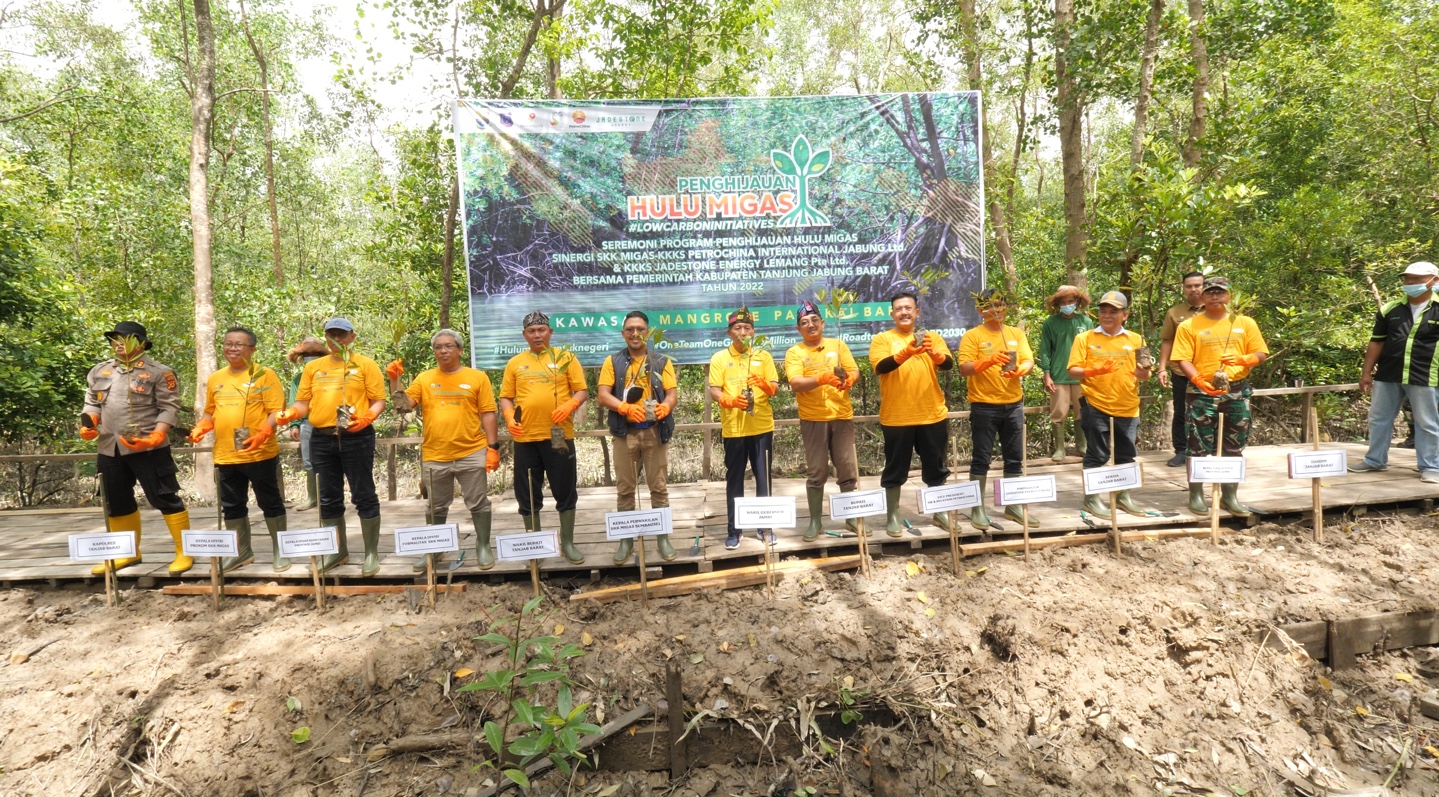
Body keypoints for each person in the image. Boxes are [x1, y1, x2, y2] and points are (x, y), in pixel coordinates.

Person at [78, 321, 193, 575]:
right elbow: (92, 403)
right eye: (114, 339)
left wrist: (156, 436)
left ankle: (184, 551)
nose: (119, 345)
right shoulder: (100, 371)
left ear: (140, 343)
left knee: (163, 497)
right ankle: (126, 553)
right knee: (116, 500)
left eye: (125, 339)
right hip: (109, 447)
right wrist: (89, 423)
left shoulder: (159, 372)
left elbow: (169, 407)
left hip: (148, 448)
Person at [276, 317, 388, 575]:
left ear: (352, 336)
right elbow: (303, 403)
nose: (337, 339)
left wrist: (368, 418)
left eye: (342, 334)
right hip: (322, 437)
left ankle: (371, 553)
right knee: (328, 496)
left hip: (356, 435)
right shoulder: (314, 368)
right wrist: (290, 413)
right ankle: (337, 551)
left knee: (363, 493)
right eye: (331, 335)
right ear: (325, 337)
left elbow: (378, 400)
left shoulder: (366, 365)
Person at [387, 329, 501, 569]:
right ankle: (435, 549)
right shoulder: (425, 378)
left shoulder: (477, 377)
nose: (443, 351)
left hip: (471, 450)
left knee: (478, 502)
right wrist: (395, 380)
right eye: (438, 347)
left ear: (460, 350)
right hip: (435, 454)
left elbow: (488, 413)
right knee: (435, 505)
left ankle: (483, 545)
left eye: (449, 346)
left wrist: (493, 447)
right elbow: (403, 407)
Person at [187, 326, 289, 573]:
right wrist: (202, 425)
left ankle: (281, 551)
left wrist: (264, 432)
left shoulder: (264, 375)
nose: (232, 348)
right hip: (225, 454)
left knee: (270, 501)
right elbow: (211, 410)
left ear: (252, 349)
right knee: (232, 505)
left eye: (239, 344)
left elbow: (276, 411)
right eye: (228, 343)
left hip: (258, 452)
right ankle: (242, 552)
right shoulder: (216, 378)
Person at [1172, 276, 1269, 516]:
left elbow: (1261, 353)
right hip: (1201, 392)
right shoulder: (1189, 325)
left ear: (1229, 295)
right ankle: (1195, 495)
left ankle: (1230, 496)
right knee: (1197, 444)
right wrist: (1197, 380)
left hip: (1236, 390)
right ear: (1202, 296)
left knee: (1234, 444)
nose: (1215, 296)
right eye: (1210, 292)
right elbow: (1182, 358)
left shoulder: (1245, 322)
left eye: (1220, 292)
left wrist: (1244, 359)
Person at [500, 311, 588, 564]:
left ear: (550, 332)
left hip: (559, 436)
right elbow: (506, 396)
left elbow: (581, 390)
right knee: (527, 491)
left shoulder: (565, 358)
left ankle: (568, 543)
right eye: (532, 331)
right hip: (525, 437)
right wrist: (509, 417)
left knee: (565, 488)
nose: (537, 335)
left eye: (541, 330)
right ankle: (534, 545)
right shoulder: (516, 362)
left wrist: (570, 405)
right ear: (524, 335)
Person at [869, 292, 956, 536]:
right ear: (892, 314)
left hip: (932, 414)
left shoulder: (932, 338)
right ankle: (893, 516)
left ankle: (939, 513)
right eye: (898, 309)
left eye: (908, 308)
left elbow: (948, 363)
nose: (904, 312)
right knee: (895, 469)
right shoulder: (882, 339)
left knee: (936, 467)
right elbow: (880, 367)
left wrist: (933, 353)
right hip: (897, 417)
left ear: (917, 312)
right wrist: (906, 352)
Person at [596, 311, 678, 563]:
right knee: (625, 488)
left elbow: (672, 394)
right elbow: (602, 394)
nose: (635, 334)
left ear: (648, 332)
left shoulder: (661, 361)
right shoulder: (613, 361)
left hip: (654, 431)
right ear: (623, 334)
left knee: (659, 486)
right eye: (630, 329)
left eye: (640, 329)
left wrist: (666, 406)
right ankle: (626, 540)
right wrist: (624, 407)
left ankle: (663, 538)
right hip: (625, 433)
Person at [957, 289, 1038, 530]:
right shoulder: (973, 336)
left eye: (1000, 304)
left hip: (1014, 403)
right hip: (984, 405)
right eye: (991, 306)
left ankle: (1013, 507)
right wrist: (990, 360)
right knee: (981, 458)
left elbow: (1028, 360)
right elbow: (965, 368)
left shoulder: (1016, 333)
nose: (997, 309)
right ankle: (977, 509)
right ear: (981, 311)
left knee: (1015, 458)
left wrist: (1022, 370)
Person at [1351, 261, 1439, 483]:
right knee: (1379, 417)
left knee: (1427, 421)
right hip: (1388, 373)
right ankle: (1374, 460)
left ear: (1433, 281)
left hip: (1425, 374)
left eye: (1417, 280)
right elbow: (1376, 342)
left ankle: (1430, 466)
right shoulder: (1390, 309)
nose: (1410, 283)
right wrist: (1366, 372)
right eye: (1407, 279)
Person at [1067, 292, 1153, 518]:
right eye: (1103, 311)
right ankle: (1091, 500)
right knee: (1097, 454)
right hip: (1095, 403)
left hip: (1128, 405)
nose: (1107, 315)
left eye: (1113, 311)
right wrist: (1094, 371)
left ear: (1125, 315)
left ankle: (1123, 497)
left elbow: (1145, 375)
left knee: (1127, 453)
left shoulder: (1136, 339)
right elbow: (1073, 370)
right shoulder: (1084, 338)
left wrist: (1143, 372)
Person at [786, 300, 860, 540]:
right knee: (816, 470)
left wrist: (849, 380)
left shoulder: (838, 345)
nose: (810, 325)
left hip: (841, 416)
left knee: (847, 467)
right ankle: (815, 521)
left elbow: (854, 370)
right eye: (804, 323)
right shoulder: (795, 352)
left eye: (814, 320)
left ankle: (851, 518)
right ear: (798, 329)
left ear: (823, 323)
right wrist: (822, 378)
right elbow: (796, 383)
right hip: (813, 419)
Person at [709, 307, 779, 549]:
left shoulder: (763, 356)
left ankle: (765, 527)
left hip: (761, 427)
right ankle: (734, 529)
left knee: (764, 479)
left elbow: (774, 388)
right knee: (735, 480)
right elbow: (714, 389)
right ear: (729, 332)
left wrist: (763, 384)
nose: (743, 332)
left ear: (753, 331)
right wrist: (727, 400)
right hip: (734, 429)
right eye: (737, 328)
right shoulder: (719, 358)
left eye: (747, 328)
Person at [1037, 285, 1093, 462]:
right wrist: (1047, 374)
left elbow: (1091, 350)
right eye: (1063, 302)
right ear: (1057, 303)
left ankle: (1082, 446)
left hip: (1081, 375)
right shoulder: (1050, 323)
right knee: (1058, 412)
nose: (1067, 305)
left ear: (1077, 302)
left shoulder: (1086, 322)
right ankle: (1059, 449)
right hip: (1058, 375)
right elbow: (1045, 350)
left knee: (1082, 412)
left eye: (1071, 301)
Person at [1158, 271, 1206, 467]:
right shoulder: (1174, 312)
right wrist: (1161, 368)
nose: (1193, 289)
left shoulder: (1218, 311)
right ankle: (1180, 450)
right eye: (1189, 286)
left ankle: (1205, 450)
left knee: (1210, 411)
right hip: (1180, 371)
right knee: (1180, 411)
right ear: (1183, 289)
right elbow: (1167, 340)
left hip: (1208, 372)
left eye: (1197, 285)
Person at [285, 337, 328, 511]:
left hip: (328, 421)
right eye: (307, 355)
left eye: (315, 354)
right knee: (308, 460)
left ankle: (327, 497)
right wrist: (294, 424)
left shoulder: (330, 373)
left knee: (331, 461)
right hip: (307, 422)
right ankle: (312, 497)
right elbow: (294, 401)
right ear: (302, 358)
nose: (311, 357)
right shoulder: (298, 378)